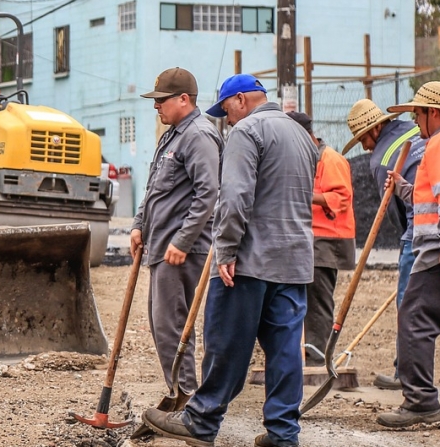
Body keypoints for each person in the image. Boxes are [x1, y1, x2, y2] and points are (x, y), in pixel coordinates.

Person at [143, 75, 318, 447]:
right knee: (285, 350)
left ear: (240, 100)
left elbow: (235, 197)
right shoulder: (302, 136)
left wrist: (225, 249)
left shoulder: (247, 131)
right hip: (295, 262)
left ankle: (202, 421)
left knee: (226, 343)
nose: (227, 120)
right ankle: (283, 433)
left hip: (249, 261)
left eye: (226, 111)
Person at [131, 67, 222, 395]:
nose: (157, 106)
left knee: (173, 329)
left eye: (162, 100)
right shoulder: (172, 135)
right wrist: (139, 224)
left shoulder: (199, 135)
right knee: (161, 327)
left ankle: (186, 398)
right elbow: (155, 187)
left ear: (184, 99)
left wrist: (183, 241)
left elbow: (208, 193)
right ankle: (179, 394)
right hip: (161, 245)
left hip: (182, 249)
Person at [342, 98, 425, 389]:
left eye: (363, 138)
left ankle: (406, 374)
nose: (364, 147)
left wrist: (410, 248)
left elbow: (392, 213)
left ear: (375, 130)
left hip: (418, 234)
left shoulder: (380, 161)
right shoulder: (415, 129)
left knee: (409, 307)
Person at [375, 82, 440, 428]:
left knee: (413, 320)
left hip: (435, 252)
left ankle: (421, 402)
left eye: (418, 114)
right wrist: (403, 187)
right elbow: (429, 196)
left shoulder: (437, 144)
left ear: (434, 113)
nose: (415, 123)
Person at [287, 111, 356, 366]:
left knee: (317, 298)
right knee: (305, 295)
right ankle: (306, 351)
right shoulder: (306, 158)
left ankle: (317, 357)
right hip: (311, 237)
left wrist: (300, 195)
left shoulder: (331, 160)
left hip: (329, 239)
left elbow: (341, 198)